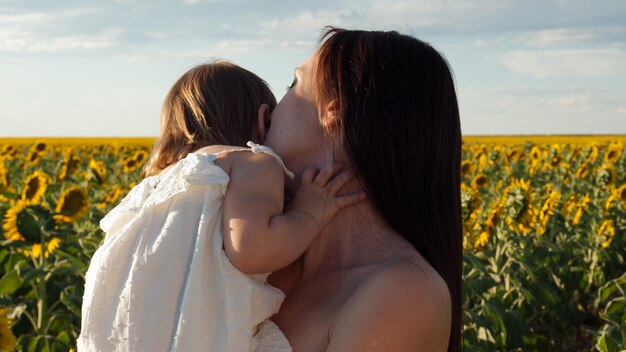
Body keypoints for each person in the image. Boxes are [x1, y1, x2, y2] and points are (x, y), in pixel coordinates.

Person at [77, 61, 363, 351]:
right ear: (265, 119)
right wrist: (310, 212)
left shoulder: (153, 189)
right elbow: (253, 249)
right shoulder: (252, 162)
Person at [264, 27, 463, 351]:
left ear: (335, 111)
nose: (269, 108)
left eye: (294, 84)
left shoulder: (404, 294)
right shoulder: (257, 252)